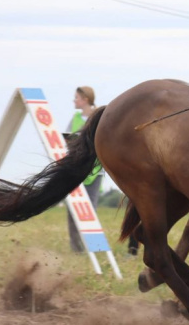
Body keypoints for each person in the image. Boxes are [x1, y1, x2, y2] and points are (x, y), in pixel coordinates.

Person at [66, 86, 106, 252]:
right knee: (72, 209)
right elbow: (67, 138)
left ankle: (94, 247)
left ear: (85, 99)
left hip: (95, 171)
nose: (74, 100)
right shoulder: (74, 118)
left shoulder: (99, 116)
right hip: (76, 169)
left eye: (77, 97)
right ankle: (76, 248)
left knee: (91, 209)